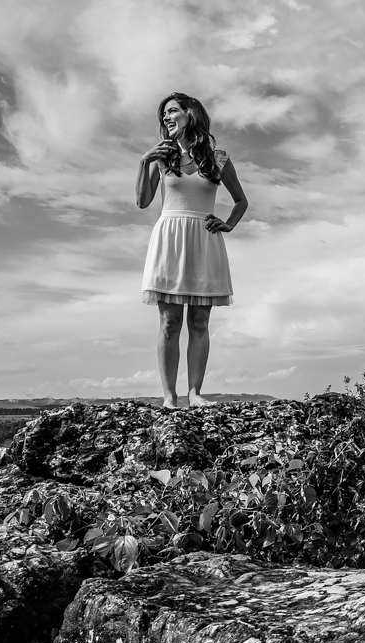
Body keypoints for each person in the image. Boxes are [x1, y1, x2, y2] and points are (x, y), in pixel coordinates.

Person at [135, 92, 248, 409]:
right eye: (164, 114)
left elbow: (241, 201)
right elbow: (142, 201)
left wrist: (228, 223)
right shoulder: (162, 157)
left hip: (204, 238)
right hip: (169, 238)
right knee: (170, 322)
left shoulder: (218, 158)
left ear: (190, 113)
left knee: (199, 321)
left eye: (172, 111)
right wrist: (144, 161)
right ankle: (169, 397)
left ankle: (194, 393)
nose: (166, 117)